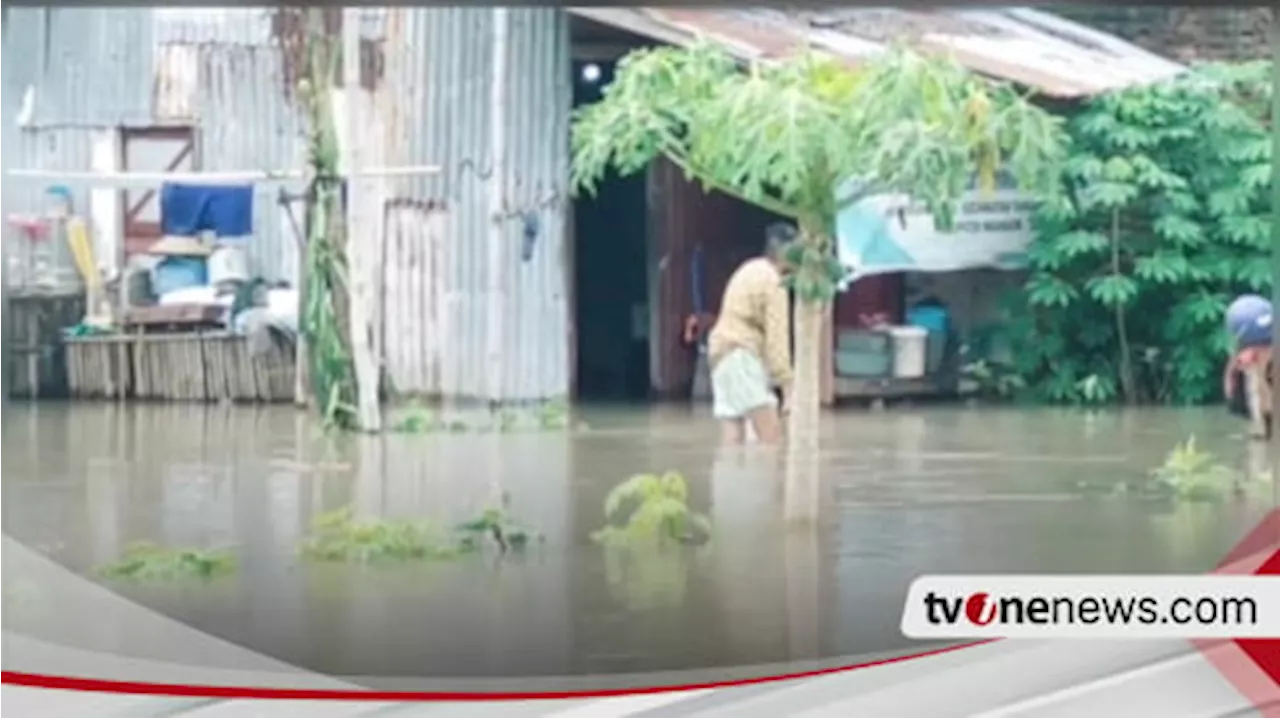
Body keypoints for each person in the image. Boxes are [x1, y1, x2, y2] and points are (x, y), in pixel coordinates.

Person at [706, 222, 796, 444]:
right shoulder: (775, 282)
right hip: (740, 352)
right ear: (785, 252)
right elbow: (778, 339)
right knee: (770, 433)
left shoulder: (750, 268)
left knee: (732, 426)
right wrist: (788, 386)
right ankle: (772, 477)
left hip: (719, 352)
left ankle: (730, 477)